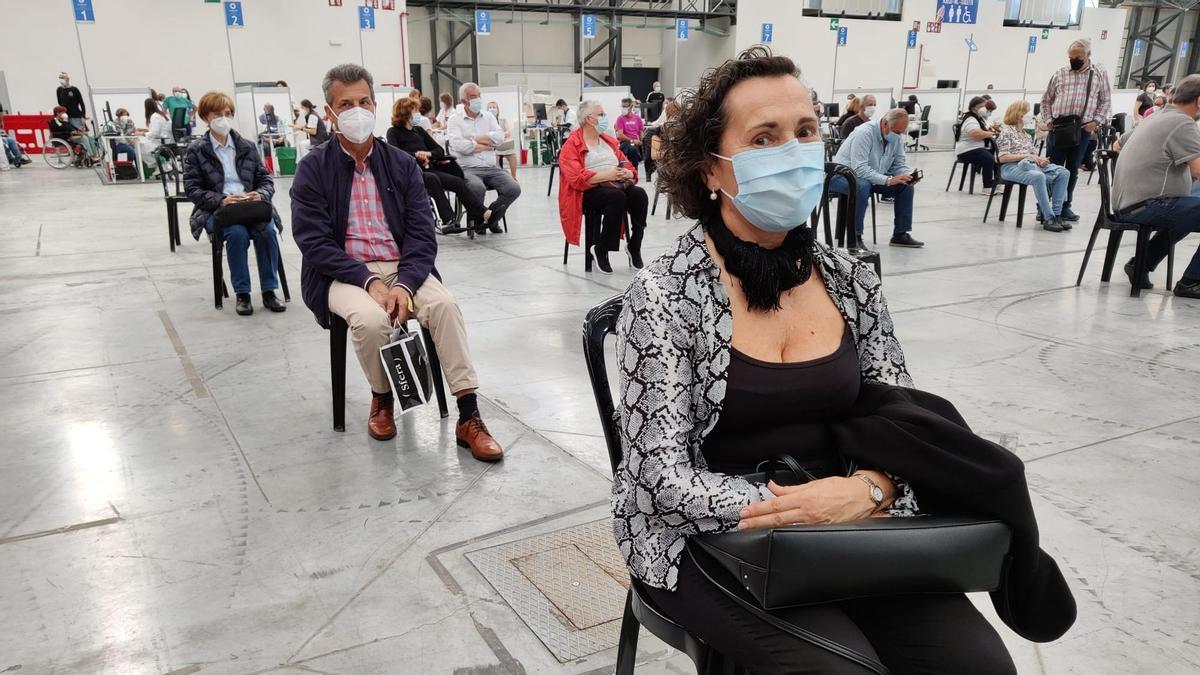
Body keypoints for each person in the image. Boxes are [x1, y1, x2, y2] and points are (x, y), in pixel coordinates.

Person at [617, 46, 1015, 674]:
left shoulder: (850, 281)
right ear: (711, 171)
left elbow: (903, 423)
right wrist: (794, 507)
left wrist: (868, 489)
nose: (793, 152)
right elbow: (659, 478)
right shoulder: (665, 295)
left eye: (804, 132)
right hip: (705, 534)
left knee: (978, 666)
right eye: (764, 138)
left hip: (850, 522)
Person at [290, 64, 505, 459]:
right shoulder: (313, 169)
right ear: (329, 113)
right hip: (345, 273)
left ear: (375, 104)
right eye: (346, 104)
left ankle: (469, 414)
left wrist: (404, 285)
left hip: (404, 266)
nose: (357, 110)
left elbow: (423, 234)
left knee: (443, 306)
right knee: (371, 321)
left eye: (364, 101)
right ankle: (381, 398)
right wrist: (369, 282)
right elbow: (313, 242)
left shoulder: (401, 164)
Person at [183, 91, 286, 316]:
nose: (223, 118)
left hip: (251, 206)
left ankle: (269, 290)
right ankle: (243, 293)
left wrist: (260, 194)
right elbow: (192, 189)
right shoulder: (197, 151)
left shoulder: (246, 146)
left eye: (228, 113)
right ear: (205, 118)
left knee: (267, 232)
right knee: (236, 234)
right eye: (217, 114)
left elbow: (265, 178)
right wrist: (221, 199)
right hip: (220, 210)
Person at [1111, 73, 1200, 299]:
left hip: (1128, 202)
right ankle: (1192, 282)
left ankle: (1142, 264)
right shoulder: (1182, 123)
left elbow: (1116, 145)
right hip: (1148, 205)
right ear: (1199, 101)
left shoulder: (1155, 117)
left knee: (1188, 214)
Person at [557, 100, 647, 273]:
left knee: (639, 194)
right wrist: (607, 175)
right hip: (587, 191)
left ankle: (634, 245)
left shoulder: (608, 141)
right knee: (617, 197)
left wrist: (629, 173)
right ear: (589, 119)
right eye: (601, 115)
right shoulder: (571, 145)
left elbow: (625, 163)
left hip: (615, 184)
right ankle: (601, 248)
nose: (605, 118)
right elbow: (576, 179)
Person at [387, 96, 493, 235]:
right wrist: (416, 155)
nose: (418, 113)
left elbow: (439, 150)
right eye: (415, 111)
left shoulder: (419, 131)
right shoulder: (393, 132)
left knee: (457, 182)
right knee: (432, 179)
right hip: (411, 173)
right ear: (405, 112)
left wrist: (428, 154)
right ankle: (448, 220)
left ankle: (482, 213)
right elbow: (395, 154)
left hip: (429, 169)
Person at [830, 109, 924, 251]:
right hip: (842, 175)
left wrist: (907, 174)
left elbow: (898, 163)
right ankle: (854, 237)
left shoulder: (896, 137)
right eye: (897, 132)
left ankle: (900, 234)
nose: (898, 136)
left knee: (905, 186)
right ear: (885, 124)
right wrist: (888, 180)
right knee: (861, 185)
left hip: (872, 177)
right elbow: (859, 168)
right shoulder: (864, 133)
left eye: (901, 132)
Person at [1040, 38, 1112, 223]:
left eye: (1077, 57)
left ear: (1087, 55)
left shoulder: (1098, 75)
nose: (1073, 60)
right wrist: (1048, 121)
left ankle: (1065, 206)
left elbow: (1105, 101)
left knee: (1072, 168)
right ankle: (1044, 208)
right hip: (1058, 128)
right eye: (1070, 57)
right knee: (1051, 168)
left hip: (1082, 129)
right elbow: (1046, 100)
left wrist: (1095, 122)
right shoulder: (1060, 74)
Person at [447, 82, 521, 233]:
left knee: (513, 188)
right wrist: (487, 143)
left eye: (479, 96)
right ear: (463, 101)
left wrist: (473, 138)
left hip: (491, 168)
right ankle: (480, 221)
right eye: (473, 97)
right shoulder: (455, 120)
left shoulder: (488, 117)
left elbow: (500, 138)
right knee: (476, 188)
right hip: (468, 169)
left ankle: (490, 218)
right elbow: (460, 146)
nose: (477, 100)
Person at [995, 101, 1070, 232]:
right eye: (1026, 112)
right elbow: (1002, 158)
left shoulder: (1027, 135)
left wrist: (1040, 160)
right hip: (1010, 167)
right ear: (1018, 115)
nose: (1030, 115)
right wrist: (1027, 156)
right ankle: (1048, 217)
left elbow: (1033, 155)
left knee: (1064, 173)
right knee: (1038, 176)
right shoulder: (1006, 132)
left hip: (1030, 165)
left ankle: (1057, 214)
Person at [955, 96, 999, 193]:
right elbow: (975, 134)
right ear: (975, 107)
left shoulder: (979, 118)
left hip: (975, 147)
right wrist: (991, 134)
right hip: (966, 150)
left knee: (998, 157)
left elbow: (985, 130)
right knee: (988, 158)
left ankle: (997, 183)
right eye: (984, 106)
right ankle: (987, 187)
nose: (986, 109)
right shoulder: (971, 119)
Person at [486, 102, 519, 179]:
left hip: (502, 144)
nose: (492, 109)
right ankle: (498, 178)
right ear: (487, 110)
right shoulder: (485, 121)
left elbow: (508, 132)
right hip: (492, 146)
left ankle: (513, 178)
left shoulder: (502, 120)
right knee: (495, 158)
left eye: (494, 107)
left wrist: (500, 137)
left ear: (498, 109)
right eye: (490, 108)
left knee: (513, 156)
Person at [141, 97, 174, 171]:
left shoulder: (154, 116)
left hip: (160, 142)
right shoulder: (162, 114)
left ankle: (160, 165)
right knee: (145, 145)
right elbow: (159, 129)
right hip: (167, 140)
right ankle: (161, 165)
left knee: (140, 146)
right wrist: (144, 130)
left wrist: (142, 133)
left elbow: (155, 133)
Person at [613, 97, 645, 170]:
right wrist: (633, 141)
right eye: (622, 106)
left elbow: (641, 131)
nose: (623, 108)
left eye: (625, 106)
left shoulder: (637, 118)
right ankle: (634, 168)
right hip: (626, 142)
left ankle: (628, 166)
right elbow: (620, 135)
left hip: (635, 142)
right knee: (632, 148)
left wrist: (641, 141)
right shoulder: (620, 119)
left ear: (630, 107)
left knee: (633, 148)